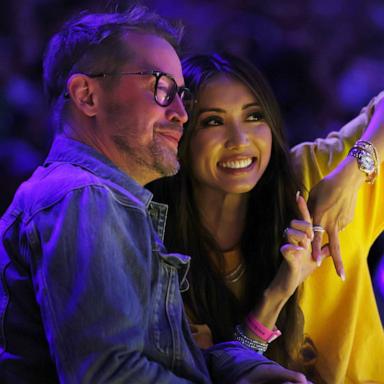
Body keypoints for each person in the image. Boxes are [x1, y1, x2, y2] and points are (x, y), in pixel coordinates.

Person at [0, 8, 313, 384]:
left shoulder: (108, 201)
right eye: (162, 89)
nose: (182, 113)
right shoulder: (85, 198)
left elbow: (169, 359)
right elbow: (110, 374)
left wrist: (248, 369)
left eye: (181, 96)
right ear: (87, 96)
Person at [147, 53, 384, 383]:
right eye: (213, 121)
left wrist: (353, 171)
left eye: (254, 116)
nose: (240, 141)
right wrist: (278, 292)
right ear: (180, 134)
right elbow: (209, 374)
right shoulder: (157, 240)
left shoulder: (313, 177)